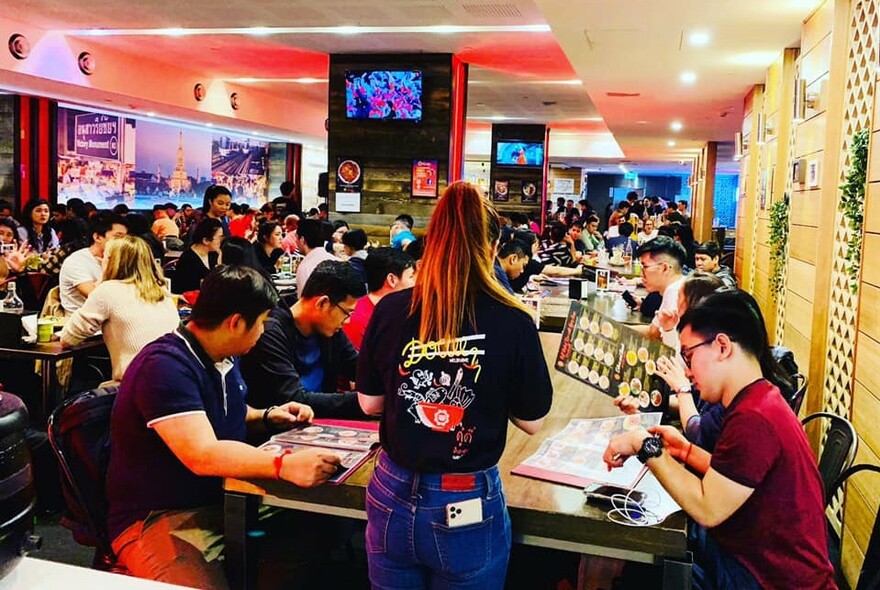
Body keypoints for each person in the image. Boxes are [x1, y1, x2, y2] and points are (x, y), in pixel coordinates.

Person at [356, 181, 552, 589]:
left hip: (391, 488)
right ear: (492, 246)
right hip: (465, 498)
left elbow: (370, 403)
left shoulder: (391, 308)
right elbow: (532, 420)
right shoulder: (512, 319)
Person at [106, 265, 341, 588]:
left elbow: (223, 412)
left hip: (225, 497)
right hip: (157, 514)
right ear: (235, 323)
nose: (261, 334)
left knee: (314, 528)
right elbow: (202, 453)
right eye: (259, 325)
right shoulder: (164, 366)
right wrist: (282, 464)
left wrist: (268, 415)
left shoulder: (222, 357)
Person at [603, 290, 835, 589]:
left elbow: (708, 507)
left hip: (768, 578)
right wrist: (685, 450)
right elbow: (738, 476)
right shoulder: (760, 398)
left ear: (722, 346)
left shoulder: (754, 418)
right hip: (754, 560)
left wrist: (643, 445)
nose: (687, 370)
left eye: (689, 355)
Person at [241, 260, 366, 418]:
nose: (347, 321)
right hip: (283, 432)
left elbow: (359, 368)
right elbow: (294, 400)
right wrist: (365, 401)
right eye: (347, 313)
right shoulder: (270, 332)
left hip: (321, 426)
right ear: (323, 303)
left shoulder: (329, 330)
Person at [59, 236, 180, 383]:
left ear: (111, 261)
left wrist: (103, 279)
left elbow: (67, 338)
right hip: (174, 377)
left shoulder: (107, 290)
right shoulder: (161, 292)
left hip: (137, 385)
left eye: (104, 257)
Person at [343, 247, 415, 349]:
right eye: (411, 277)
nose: (415, 283)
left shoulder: (402, 311)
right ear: (392, 280)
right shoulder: (357, 319)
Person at [59, 212, 129, 313]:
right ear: (97, 237)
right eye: (118, 237)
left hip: (114, 318)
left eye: (125, 238)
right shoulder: (76, 261)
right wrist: (107, 270)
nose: (123, 243)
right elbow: (97, 298)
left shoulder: (121, 258)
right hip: (82, 322)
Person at [635, 236, 686, 349]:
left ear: (665, 268)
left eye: (645, 267)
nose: (641, 274)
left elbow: (656, 336)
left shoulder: (675, 292)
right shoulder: (677, 286)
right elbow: (654, 330)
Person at [172, 218, 222, 294]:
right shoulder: (188, 259)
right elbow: (185, 289)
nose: (221, 241)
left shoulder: (214, 254)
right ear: (206, 240)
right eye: (219, 238)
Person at [295, 218, 337, 294]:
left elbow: (304, 302)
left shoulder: (305, 267)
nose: (296, 242)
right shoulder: (337, 260)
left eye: (296, 238)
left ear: (302, 239)